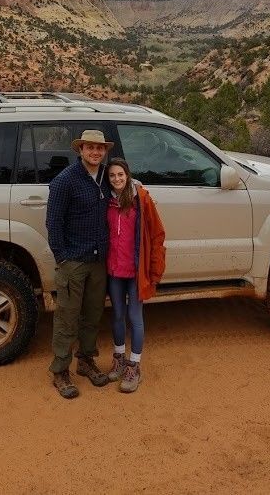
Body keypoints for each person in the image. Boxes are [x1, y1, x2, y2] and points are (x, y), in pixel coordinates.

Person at [45, 129, 113, 399]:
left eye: (100, 148)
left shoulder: (107, 177)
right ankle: (60, 370)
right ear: (80, 150)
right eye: (90, 148)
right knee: (67, 318)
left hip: (98, 261)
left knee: (93, 315)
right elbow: (54, 222)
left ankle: (86, 361)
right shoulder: (65, 181)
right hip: (73, 260)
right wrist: (62, 256)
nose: (95, 152)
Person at [105, 157, 165, 393]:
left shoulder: (141, 199)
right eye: (112, 175)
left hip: (135, 270)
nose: (117, 179)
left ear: (127, 175)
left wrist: (155, 268)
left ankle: (134, 366)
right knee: (117, 314)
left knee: (134, 316)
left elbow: (157, 234)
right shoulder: (106, 201)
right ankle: (119, 358)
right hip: (114, 268)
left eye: (120, 174)